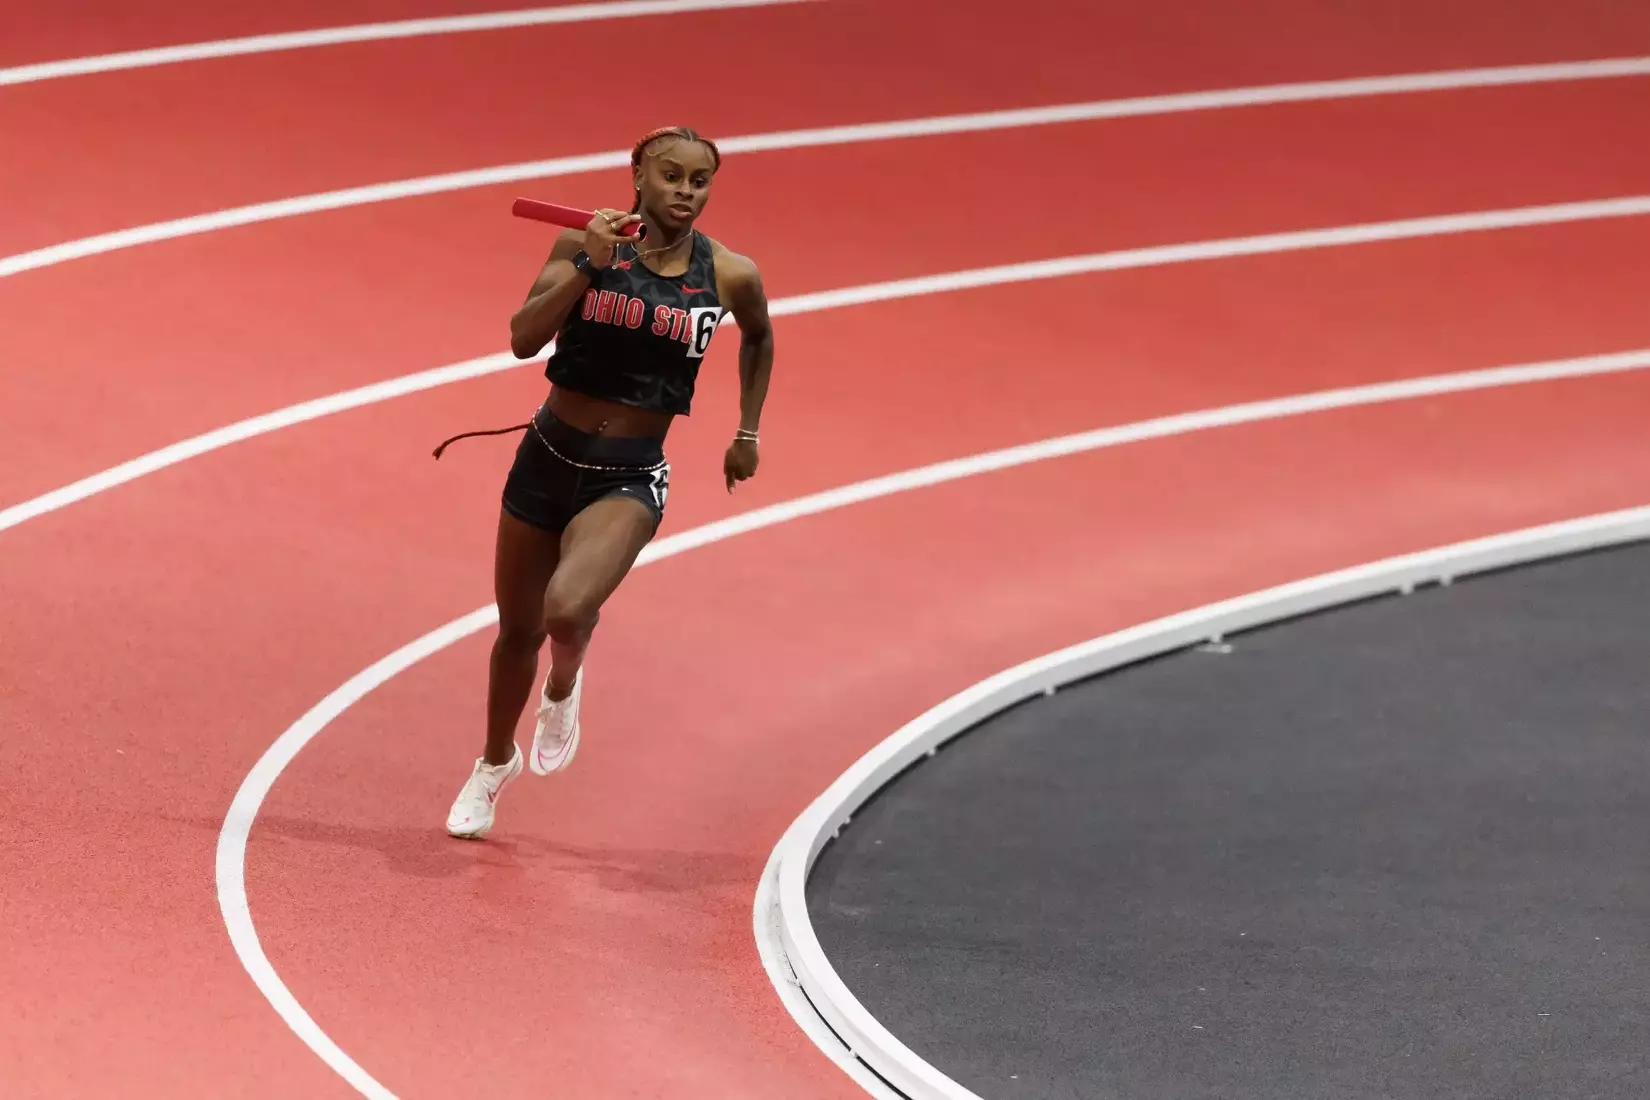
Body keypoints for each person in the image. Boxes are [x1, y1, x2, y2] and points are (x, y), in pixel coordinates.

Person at [440, 126, 774, 839]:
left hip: (627, 478)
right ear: (638, 175)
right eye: (671, 176)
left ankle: (564, 686)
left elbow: (760, 335)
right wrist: (590, 267)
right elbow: (524, 338)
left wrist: (746, 431)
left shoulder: (729, 274)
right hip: (545, 458)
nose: (685, 192)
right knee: (515, 634)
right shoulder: (582, 246)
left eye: (699, 181)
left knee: (566, 610)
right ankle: (494, 764)